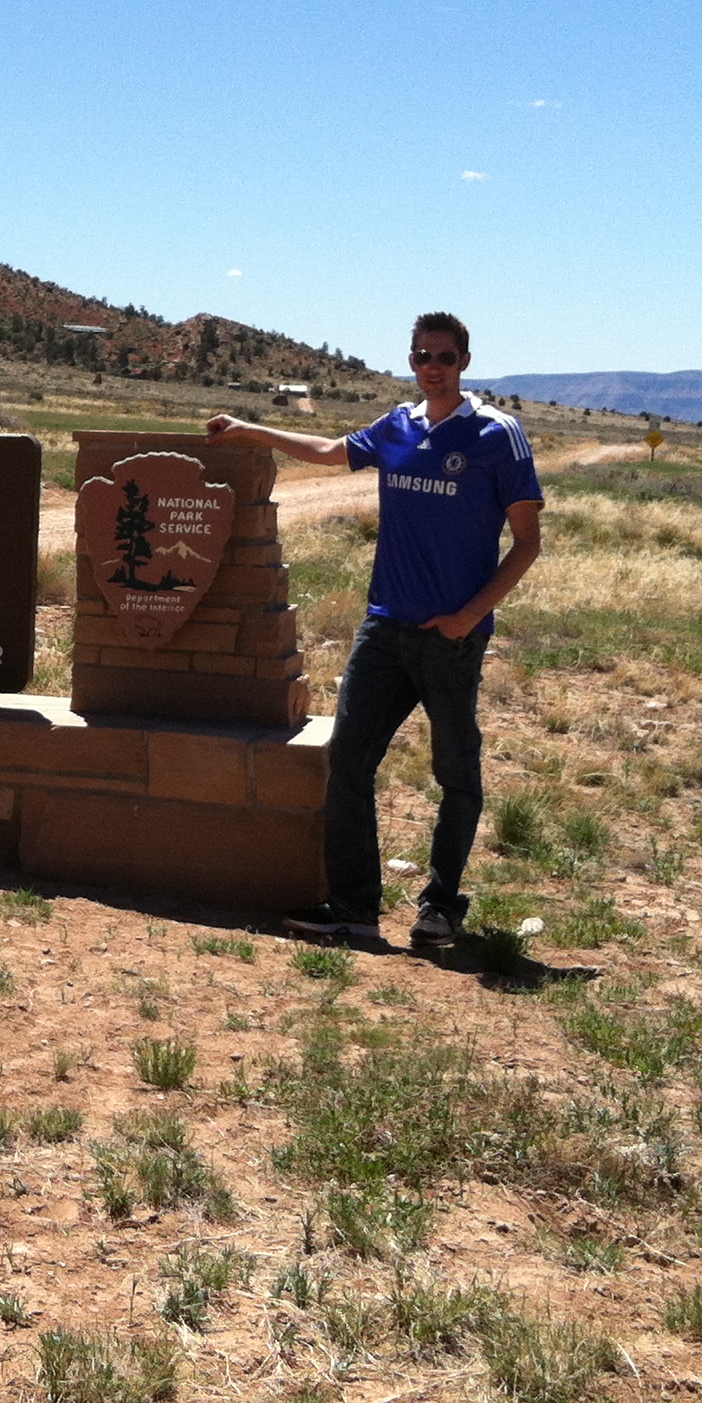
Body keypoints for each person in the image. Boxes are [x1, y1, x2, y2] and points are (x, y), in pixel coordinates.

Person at [206, 311, 542, 948]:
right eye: (421, 356)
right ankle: (355, 909)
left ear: (464, 361)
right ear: (412, 362)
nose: (431, 366)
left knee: (456, 774)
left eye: (442, 355)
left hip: (451, 637)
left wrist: (468, 618)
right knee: (350, 763)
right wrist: (253, 429)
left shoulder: (499, 435)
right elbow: (334, 452)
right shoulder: (399, 425)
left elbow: (526, 544)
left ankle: (441, 906)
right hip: (385, 628)